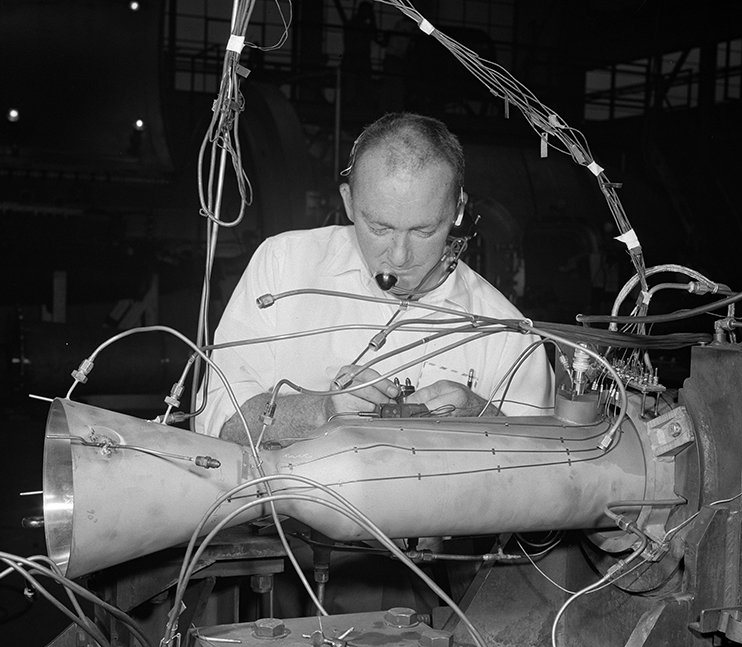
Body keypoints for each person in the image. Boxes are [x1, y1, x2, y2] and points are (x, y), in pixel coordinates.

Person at [196, 112, 555, 444]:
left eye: (423, 230)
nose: (399, 256)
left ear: (458, 210)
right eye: (379, 227)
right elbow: (216, 423)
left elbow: (547, 470)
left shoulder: (508, 333)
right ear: (349, 202)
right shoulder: (283, 265)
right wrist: (321, 412)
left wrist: (483, 417)